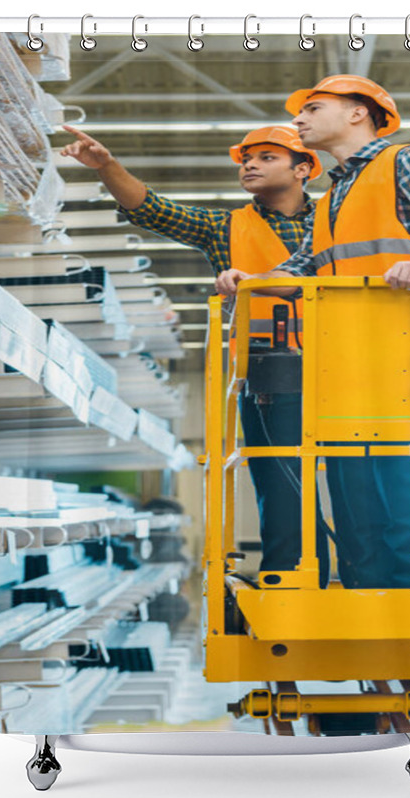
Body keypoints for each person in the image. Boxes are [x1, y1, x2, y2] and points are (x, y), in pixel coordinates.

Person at [215, 76, 410, 589]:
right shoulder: (334, 193)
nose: (299, 119)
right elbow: (304, 266)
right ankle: (369, 587)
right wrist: (252, 283)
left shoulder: (406, 161)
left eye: (312, 108)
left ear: (356, 114)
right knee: (349, 465)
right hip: (351, 343)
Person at [60, 123, 332, 587]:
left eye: (267, 157)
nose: (249, 164)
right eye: (246, 159)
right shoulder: (226, 227)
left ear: (304, 168)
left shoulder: (339, 218)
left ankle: (375, 580)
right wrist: (107, 167)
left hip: (349, 361)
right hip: (270, 371)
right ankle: (292, 585)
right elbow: (152, 209)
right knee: (281, 484)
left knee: (360, 477)